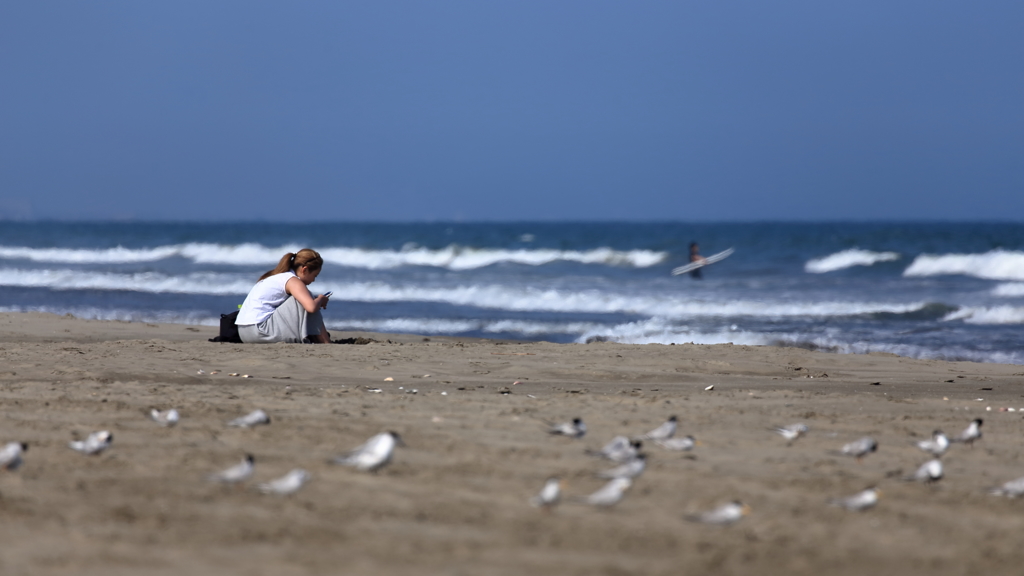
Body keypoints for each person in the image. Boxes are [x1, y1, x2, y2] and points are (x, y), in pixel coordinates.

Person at [235, 248, 331, 343]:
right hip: (260, 331)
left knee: (306, 298)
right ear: (304, 270)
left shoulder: (279, 277)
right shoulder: (292, 280)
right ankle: (325, 341)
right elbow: (311, 307)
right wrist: (320, 299)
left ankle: (317, 338)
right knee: (308, 298)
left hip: (244, 333)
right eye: (314, 275)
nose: (313, 280)